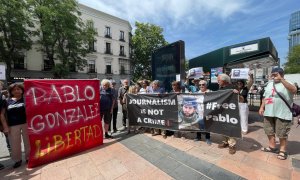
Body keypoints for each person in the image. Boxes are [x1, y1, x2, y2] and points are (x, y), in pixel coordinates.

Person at [259, 68, 297, 160]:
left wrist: (281, 80)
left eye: (276, 74)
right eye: (273, 74)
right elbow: (265, 96)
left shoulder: (288, 82)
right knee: (269, 130)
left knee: (282, 132)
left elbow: (294, 90)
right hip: (269, 112)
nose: (274, 76)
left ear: (282, 74)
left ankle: (282, 151)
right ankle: (272, 147)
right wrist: (262, 107)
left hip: (282, 113)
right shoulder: (269, 84)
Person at [5, 83, 30, 168]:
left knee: (28, 142)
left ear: (22, 90)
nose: (16, 91)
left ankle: (28, 158)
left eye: (18, 89)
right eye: (14, 89)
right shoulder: (7, 101)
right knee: (14, 144)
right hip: (12, 125)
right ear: (11, 91)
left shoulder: (26, 99)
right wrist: (5, 126)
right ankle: (17, 160)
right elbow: (3, 114)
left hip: (26, 124)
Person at [217, 74, 239, 154]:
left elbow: (239, 99)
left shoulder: (233, 87)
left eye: (219, 80)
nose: (217, 82)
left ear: (224, 81)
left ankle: (232, 145)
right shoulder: (220, 88)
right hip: (222, 111)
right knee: (223, 127)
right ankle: (225, 142)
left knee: (230, 128)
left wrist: (236, 93)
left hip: (231, 112)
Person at [195, 80, 212, 145]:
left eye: (203, 84)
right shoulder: (197, 93)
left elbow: (219, 95)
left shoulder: (210, 92)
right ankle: (198, 137)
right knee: (198, 125)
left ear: (206, 85)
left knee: (207, 125)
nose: (201, 86)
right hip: (199, 112)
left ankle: (207, 138)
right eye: (200, 85)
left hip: (207, 112)